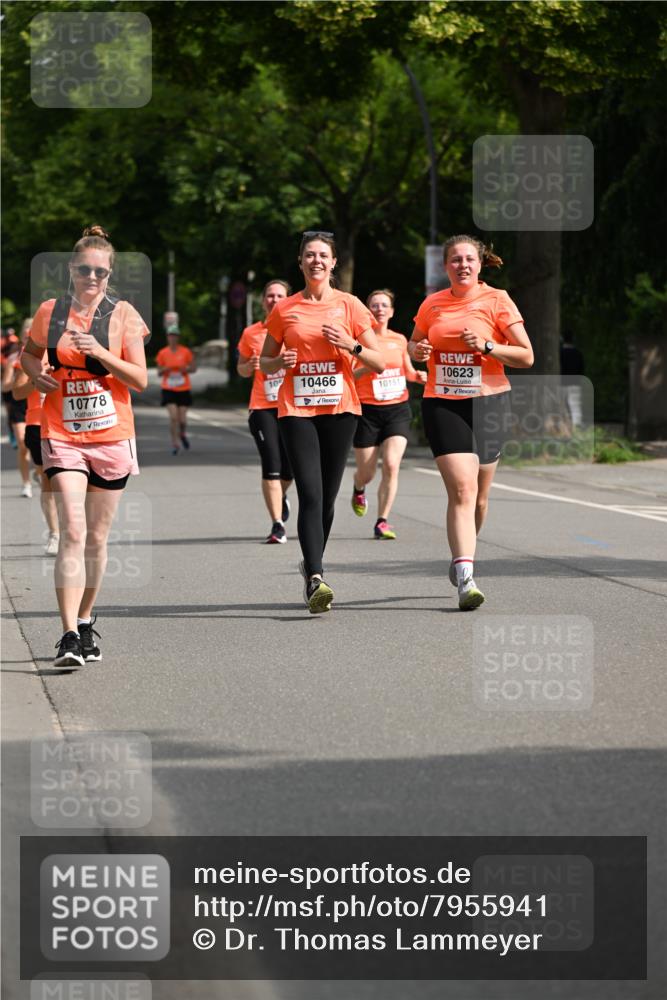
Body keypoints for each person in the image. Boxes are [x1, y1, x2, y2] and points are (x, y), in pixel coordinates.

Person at [21, 225, 148, 666]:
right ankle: (69, 635)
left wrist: (101, 351)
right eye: (84, 270)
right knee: (73, 531)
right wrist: (35, 374)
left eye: (101, 271)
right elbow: (28, 354)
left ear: (110, 274)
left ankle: (87, 618)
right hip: (62, 434)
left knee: (96, 537)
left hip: (112, 436)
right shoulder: (50, 312)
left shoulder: (125, 315)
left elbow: (140, 379)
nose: (92, 277)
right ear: (71, 270)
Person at [408, 234, 534, 610]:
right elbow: (413, 346)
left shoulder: (497, 300)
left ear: (480, 265)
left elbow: (526, 356)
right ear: (445, 266)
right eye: (455, 260)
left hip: (490, 402)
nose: (462, 265)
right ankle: (466, 577)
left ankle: (462, 554)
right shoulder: (432, 304)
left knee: (479, 497)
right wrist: (419, 350)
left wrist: (488, 347)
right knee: (461, 491)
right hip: (443, 402)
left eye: (468, 260)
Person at [261, 231, 383, 613]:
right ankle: (315, 576)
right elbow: (264, 362)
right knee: (310, 495)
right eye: (309, 255)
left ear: (333, 264)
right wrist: (279, 363)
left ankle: (312, 565)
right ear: (300, 263)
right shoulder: (285, 310)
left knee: (328, 498)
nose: (316, 260)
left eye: (323, 255)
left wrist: (351, 345)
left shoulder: (350, 306)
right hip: (296, 411)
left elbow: (379, 361)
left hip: (341, 409)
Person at [350, 288, 427, 539]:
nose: (379, 309)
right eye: (374, 305)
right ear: (367, 311)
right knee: (368, 472)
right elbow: (349, 375)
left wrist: (418, 376)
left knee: (392, 465)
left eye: (384, 305)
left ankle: (382, 521)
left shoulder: (400, 339)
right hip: (367, 411)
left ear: (391, 311)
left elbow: (407, 371)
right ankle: (359, 486)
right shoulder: (359, 341)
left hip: (396, 409)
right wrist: (371, 364)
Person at [237, 279, 294, 543]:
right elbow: (242, 370)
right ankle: (277, 524)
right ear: (263, 301)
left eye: (279, 295)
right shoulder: (252, 333)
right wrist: (250, 364)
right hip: (262, 407)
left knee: (290, 469)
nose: (274, 299)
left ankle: (280, 496)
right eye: (269, 295)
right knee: (271, 464)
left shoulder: (296, 329)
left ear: (288, 299)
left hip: (293, 406)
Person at [12, 320, 60, 552]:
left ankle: (75, 530)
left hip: (66, 425)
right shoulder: (27, 360)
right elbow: (17, 393)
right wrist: (37, 380)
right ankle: (54, 534)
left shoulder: (64, 353)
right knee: (48, 483)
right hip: (37, 425)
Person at [156, 325, 196, 454]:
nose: (172, 338)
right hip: (168, 388)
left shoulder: (185, 352)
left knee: (182, 419)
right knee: (174, 417)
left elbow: (193, 368)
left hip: (183, 388)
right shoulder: (163, 353)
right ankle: (175, 443)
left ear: (178, 337)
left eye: (174, 335)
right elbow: (159, 372)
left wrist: (186, 369)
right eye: (170, 335)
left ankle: (182, 433)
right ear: (167, 337)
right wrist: (165, 369)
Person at [3, 327, 31, 495]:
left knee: (40, 447)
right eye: (27, 337)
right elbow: (5, 386)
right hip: (19, 405)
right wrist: (17, 377)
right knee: (22, 443)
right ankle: (26, 483)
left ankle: (42, 472)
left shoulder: (46, 356)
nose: (30, 340)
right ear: (22, 339)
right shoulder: (14, 358)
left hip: (40, 405)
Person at [560, 333, 586, 428]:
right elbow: (581, 369)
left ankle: (564, 425)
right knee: (575, 404)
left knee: (561, 404)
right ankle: (576, 425)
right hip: (575, 382)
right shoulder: (578, 353)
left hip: (562, 382)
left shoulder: (560, 353)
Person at [1, 326, 20, 447]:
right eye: (9, 338)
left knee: (16, 409)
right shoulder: (3, 350)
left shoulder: (18, 349)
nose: (11, 341)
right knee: (9, 411)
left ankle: (17, 433)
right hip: (7, 384)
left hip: (17, 384)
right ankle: (13, 434)